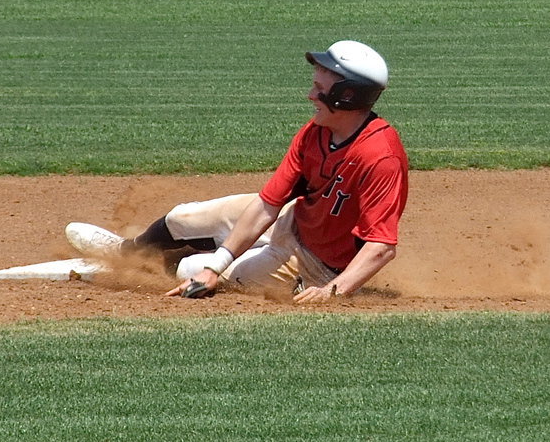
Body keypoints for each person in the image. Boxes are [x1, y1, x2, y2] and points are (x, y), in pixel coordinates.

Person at [66, 39, 409, 303]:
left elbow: (381, 245)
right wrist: (218, 265)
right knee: (184, 217)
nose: (309, 95)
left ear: (346, 96)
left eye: (320, 90)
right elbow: (266, 206)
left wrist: (333, 289)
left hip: (316, 265)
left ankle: (144, 269)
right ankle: (128, 252)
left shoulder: (380, 156)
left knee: (191, 270)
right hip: (293, 220)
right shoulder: (315, 132)